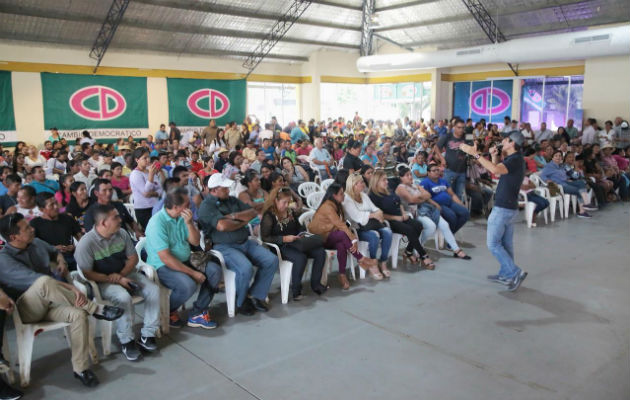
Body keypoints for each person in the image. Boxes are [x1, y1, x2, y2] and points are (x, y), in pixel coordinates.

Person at [0, 213, 124, 387]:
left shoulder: (35, 242)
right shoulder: (4, 260)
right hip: (28, 308)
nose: (32, 228)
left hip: (52, 302)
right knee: (43, 281)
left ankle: (81, 369)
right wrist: (70, 287)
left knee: (78, 315)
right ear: (14, 237)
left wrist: (61, 261)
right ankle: (96, 310)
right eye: (26, 228)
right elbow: (36, 280)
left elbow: (54, 251)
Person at [75, 204, 159, 361]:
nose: (120, 219)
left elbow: (133, 258)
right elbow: (87, 273)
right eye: (115, 217)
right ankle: (127, 341)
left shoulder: (121, 233)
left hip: (126, 273)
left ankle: (148, 334)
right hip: (103, 281)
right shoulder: (86, 243)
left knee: (153, 290)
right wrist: (114, 279)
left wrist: (121, 276)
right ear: (103, 223)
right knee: (123, 297)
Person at [198, 173, 278, 316]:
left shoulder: (232, 200)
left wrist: (234, 217)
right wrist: (242, 221)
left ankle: (255, 295)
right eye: (225, 188)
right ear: (214, 190)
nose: (228, 190)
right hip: (224, 246)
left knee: (271, 260)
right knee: (245, 268)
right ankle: (240, 302)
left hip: (245, 242)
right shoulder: (206, 206)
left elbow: (253, 212)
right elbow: (222, 226)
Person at [459, 131, 529, 291]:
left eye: (505, 139)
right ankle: (506, 274)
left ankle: (514, 272)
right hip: (509, 207)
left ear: (512, 143)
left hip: (503, 207)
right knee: (506, 244)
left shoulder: (515, 160)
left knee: (493, 244)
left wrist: (475, 154)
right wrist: (494, 156)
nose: (502, 141)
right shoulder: (514, 159)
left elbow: (496, 171)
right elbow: (496, 168)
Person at [145, 187, 222, 329]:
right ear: (175, 207)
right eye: (187, 204)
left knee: (214, 271)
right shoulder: (157, 223)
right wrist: (193, 273)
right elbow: (166, 258)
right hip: (162, 265)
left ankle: (197, 313)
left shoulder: (182, 218)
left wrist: (189, 223)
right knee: (187, 285)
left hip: (185, 259)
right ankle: (166, 311)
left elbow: (194, 241)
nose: (191, 206)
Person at [261, 187, 327, 300]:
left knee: (320, 252)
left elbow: (299, 227)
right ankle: (296, 290)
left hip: (296, 242)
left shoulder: (290, 212)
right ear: (275, 201)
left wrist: (301, 234)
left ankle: (316, 284)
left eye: (289, 202)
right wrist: (284, 239)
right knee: (300, 258)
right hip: (280, 246)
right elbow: (265, 238)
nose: (287, 205)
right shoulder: (269, 216)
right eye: (284, 202)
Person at [308, 183, 378, 290]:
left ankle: (342, 274)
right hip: (320, 238)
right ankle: (360, 258)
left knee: (341, 244)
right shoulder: (327, 206)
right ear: (334, 195)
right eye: (341, 194)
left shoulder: (337, 205)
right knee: (342, 234)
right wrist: (353, 239)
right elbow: (340, 224)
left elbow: (344, 223)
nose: (344, 196)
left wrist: (351, 235)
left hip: (331, 235)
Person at [396, 166, 470, 260]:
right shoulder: (401, 188)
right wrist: (422, 197)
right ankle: (418, 246)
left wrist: (426, 199)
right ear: (401, 178)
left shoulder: (415, 185)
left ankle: (456, 250)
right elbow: (412, 200)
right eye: (407, 175)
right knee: (431, 227)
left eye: (410, 174)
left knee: (445, 225)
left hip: (426, 209)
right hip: (414, 213)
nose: (410, 177)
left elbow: (428, 195)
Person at [369, 171, 435, 270]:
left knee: (418, 225)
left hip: (400, 217)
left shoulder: (388, 190)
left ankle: (408, 252)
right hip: (388, 221)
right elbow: (380, 215)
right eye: (384, 180)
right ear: (376, 181)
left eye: (386, 179)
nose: (387, 182)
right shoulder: (373, 196)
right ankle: (423, 255)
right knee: (410, 230)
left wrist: (403, 213)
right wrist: (396, 218)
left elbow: (398, 202)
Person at [342, 173, 392, 278]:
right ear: (354, 185)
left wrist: (378, 213)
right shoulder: (347, 199)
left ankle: (383, 261)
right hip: (356, 229)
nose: (363, 184)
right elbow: (356, 216)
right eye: (361, 182)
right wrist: (374, 215)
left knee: (387, 232)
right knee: (374, 235)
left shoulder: (363, 195)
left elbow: (375, 208)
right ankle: (373, 263)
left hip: (369, 225)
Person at [31, 192, 82, 271]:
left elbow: (80, 237)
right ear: (41, 209)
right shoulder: (35, 224)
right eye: (51, 205)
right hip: (52, 260)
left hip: (74, 256)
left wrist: (76, 247)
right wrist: (53, 248)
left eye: (56, 203)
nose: (56, 207)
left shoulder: (67, 218)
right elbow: (34, 248)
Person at [539, 150, 596, 218]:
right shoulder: (549, 166)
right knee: (578, 190)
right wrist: (548, 181)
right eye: (556, 156)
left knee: (581, 183)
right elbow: (542, 175)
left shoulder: (561, 166)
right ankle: (582, 211)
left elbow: (568, 175)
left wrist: (568, 178)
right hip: (559, 186)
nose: (558, 157)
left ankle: (586, 205)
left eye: (560, 156)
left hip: (565, 182)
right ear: (552, 158)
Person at [421, 165, 470, 234]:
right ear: (428, 173)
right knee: (452, 217)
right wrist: (436, 205)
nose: (436, 172)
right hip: (439, 205)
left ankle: (451, 234)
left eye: (437, 170)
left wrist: (461, 204)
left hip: (450, 203)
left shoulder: (443, 181)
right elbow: (426, 198)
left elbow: (452, 194)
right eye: (434, 171)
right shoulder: (425, 183)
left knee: (465, 213)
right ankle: (450, 237)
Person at [434, 118, 468, 201]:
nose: (461, 130)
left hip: (462, 170)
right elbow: (436, 147)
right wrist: (442, 159)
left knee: (459, 195)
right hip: (449, 170)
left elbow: (473, 148)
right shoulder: (447, 136)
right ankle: (448, 213)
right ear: (454, 127)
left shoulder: (467, 137)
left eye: (463, 128)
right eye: (459, 127)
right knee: (447, 194)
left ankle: (457, 212)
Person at [129, 148, 162, 229]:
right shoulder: (135, 174)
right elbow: (146, 192)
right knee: (152, 232)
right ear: (137, 160)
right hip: (144, 210)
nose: (148, 160)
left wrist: (154, 193)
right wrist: (151, 176)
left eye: (148, 157)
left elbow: (160, 188)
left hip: (155, 206)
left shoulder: (149, 170)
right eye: (145, 158)